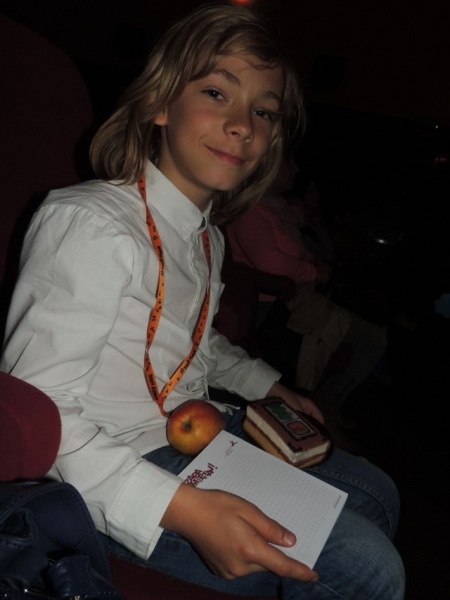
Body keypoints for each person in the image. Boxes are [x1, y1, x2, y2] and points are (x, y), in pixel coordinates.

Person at [0, 4, 404, 599]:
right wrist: (184, 509)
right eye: (217, 92)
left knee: (380, 495)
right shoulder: (90, 223)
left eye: (263, 111)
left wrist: (268, 384)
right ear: (160, 104)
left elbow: (196, 341)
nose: (243, 124)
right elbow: (36, 419)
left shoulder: (208, 237)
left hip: (198, 431)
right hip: (108, 467)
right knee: (368, 568)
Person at [227, 154, 388, 420]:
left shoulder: (281, 212)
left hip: (296, 299)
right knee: (370, 338)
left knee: (370, 329)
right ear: (268, 168)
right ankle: (320, 407)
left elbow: (320, 253)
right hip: (270, 307)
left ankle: (322, 407)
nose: (296, 168)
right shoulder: (250, 209)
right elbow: (271, 264)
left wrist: (314, 259)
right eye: (288, 162)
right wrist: (313, 271)